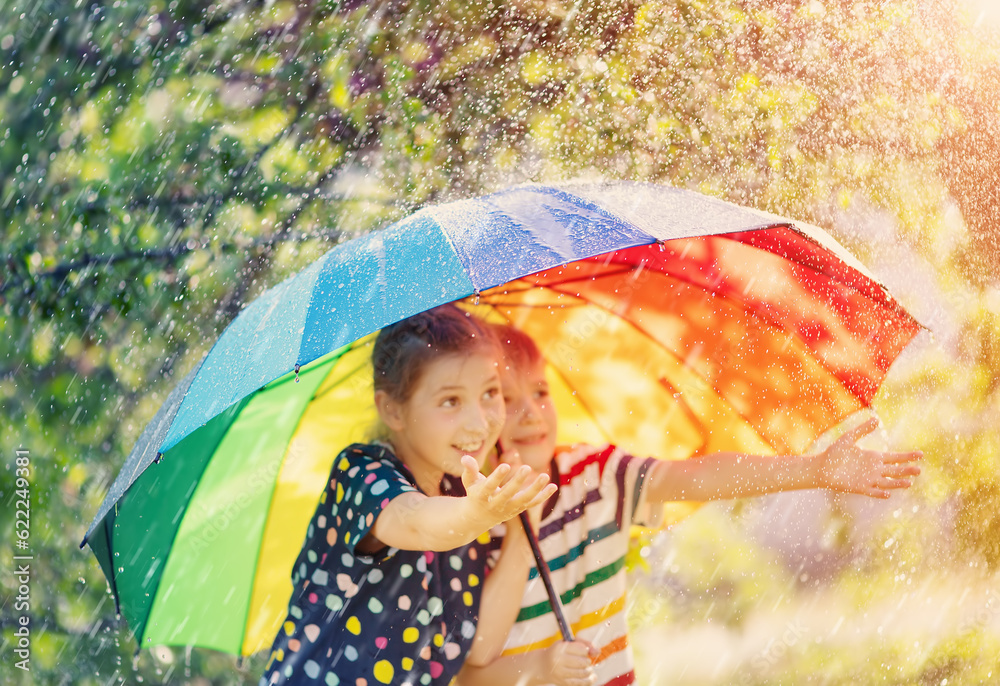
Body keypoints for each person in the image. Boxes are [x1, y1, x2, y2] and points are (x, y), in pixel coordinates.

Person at [457, 324, 923, 686]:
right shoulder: (463, 518)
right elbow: (470, 670)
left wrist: (813, 470)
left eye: (540, 392)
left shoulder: (595, 475)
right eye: (505, 399)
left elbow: (701, 477)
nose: (531, 413)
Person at [258, 305, 558, 686]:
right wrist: (478, 514)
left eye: (490, 393)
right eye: (451, 401)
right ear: (393, 410)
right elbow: (416, 521)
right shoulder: (362, 473)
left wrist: (518, 505)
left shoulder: (462, 486)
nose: (480, 422)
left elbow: (477, 648)